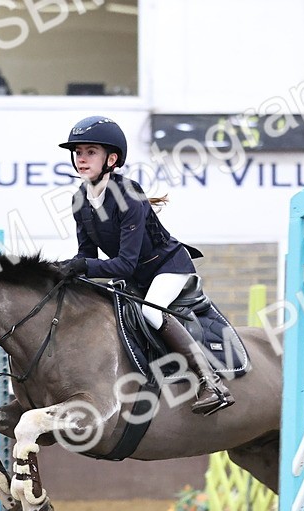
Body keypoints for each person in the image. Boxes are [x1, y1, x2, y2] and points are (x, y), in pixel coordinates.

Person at [58, 115, 233, 415]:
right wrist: (62, 271)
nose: (81, 158)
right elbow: (87, 255)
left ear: (111, 159)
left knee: (151, 311)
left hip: (168, 268)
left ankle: (210, 381)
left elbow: (124, 265)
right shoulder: (79, 200)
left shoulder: (129, 196)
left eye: (90, 152)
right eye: (78, 153)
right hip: (137, 275)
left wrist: (82, 266)